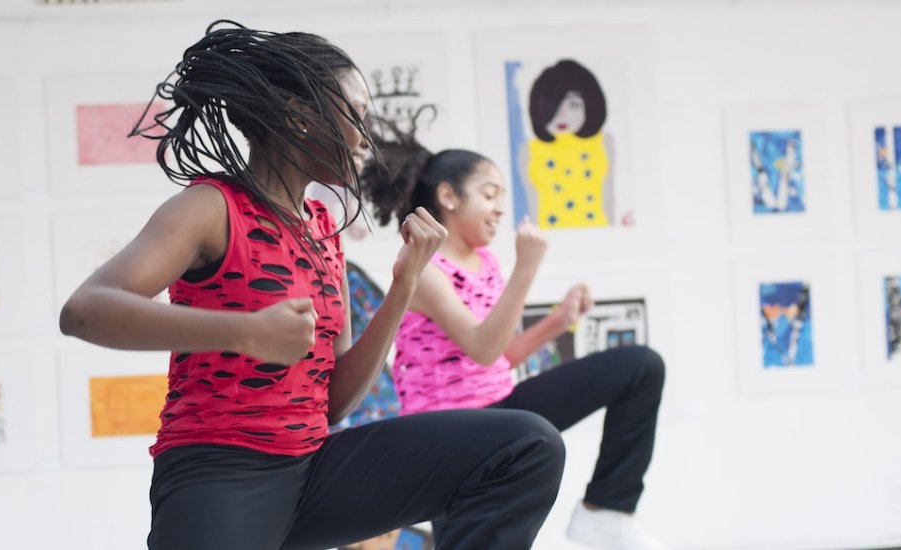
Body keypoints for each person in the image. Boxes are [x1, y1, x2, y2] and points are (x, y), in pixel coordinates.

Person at [59, 20, 566, 550]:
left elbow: (334, 404)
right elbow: (86, 309)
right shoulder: (210, 208)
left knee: (525, 444)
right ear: (301, 118)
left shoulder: (322, 226)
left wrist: (403, 286)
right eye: (359, 116)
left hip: (314, 466)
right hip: (220, 467)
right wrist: (246, 332)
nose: (368, 139)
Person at [361, 121, 670, 550]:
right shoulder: (427, 270)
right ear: (449, 197)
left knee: (639, 367)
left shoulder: (485, 261)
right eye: (490, 194)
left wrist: (559, 320)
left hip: (500, 409)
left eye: (502, 196)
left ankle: (607, 511)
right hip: (449, 432)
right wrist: (527, 268)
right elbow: (482, 348)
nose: (501, 207)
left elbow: (501, 356)